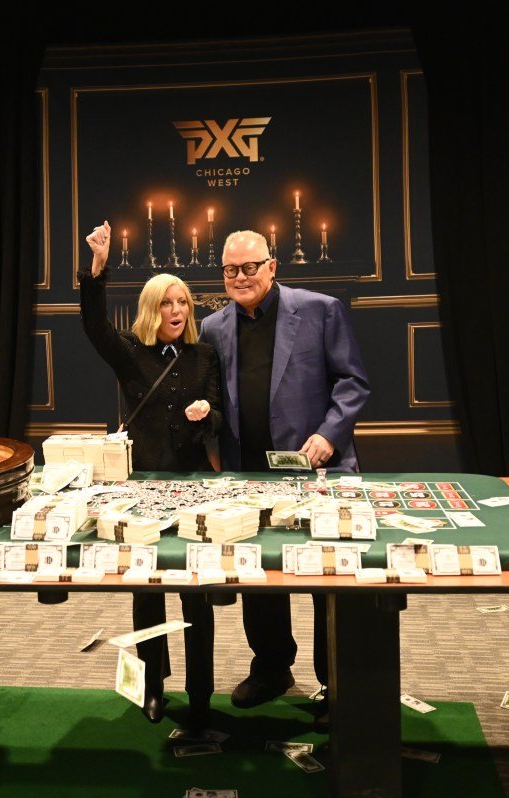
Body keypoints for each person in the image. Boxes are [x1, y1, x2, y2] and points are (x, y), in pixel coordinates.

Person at [199, 229, 370, 711]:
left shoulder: (320, 310)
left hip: (317, 471)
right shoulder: (212, 327)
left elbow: (353, 382)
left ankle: (335, 683)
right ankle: (272, 668)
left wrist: (329, 434)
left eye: (250, 267)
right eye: (230, 270)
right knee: (258, 578)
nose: (240, 277)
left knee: (326, 579)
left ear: (272, 267)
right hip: (248, 474)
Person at [81, 220, 221, 731]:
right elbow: (94, 326)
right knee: (147, 591)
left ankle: (201, 691)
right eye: (166, 303)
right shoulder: (130, 353)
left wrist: (207, 411)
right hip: (141, 486)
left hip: (192, 485)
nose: (176, 311)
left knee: (196, 593)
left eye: (182, 302)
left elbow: (221, 417)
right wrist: (97, 270)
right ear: (150, 309)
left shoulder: (204, 356)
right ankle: (153, 688)